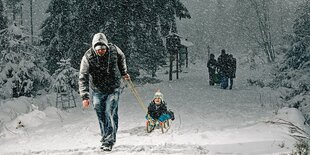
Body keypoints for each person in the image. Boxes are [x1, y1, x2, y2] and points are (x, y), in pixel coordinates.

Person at [79, 32, 130, 151]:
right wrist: (85, 96)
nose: (101, 51)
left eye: (103, 49)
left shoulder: (114, 50)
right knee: (100, 112)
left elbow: (121, 58)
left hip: (113, 88)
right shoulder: (88, 56)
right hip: (97, 89)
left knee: (109, 111)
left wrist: (123, 72)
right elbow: (83, 76)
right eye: (98, 49)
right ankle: (105, 136)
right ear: (94, 48)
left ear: (106, 47)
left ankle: (109, 141)